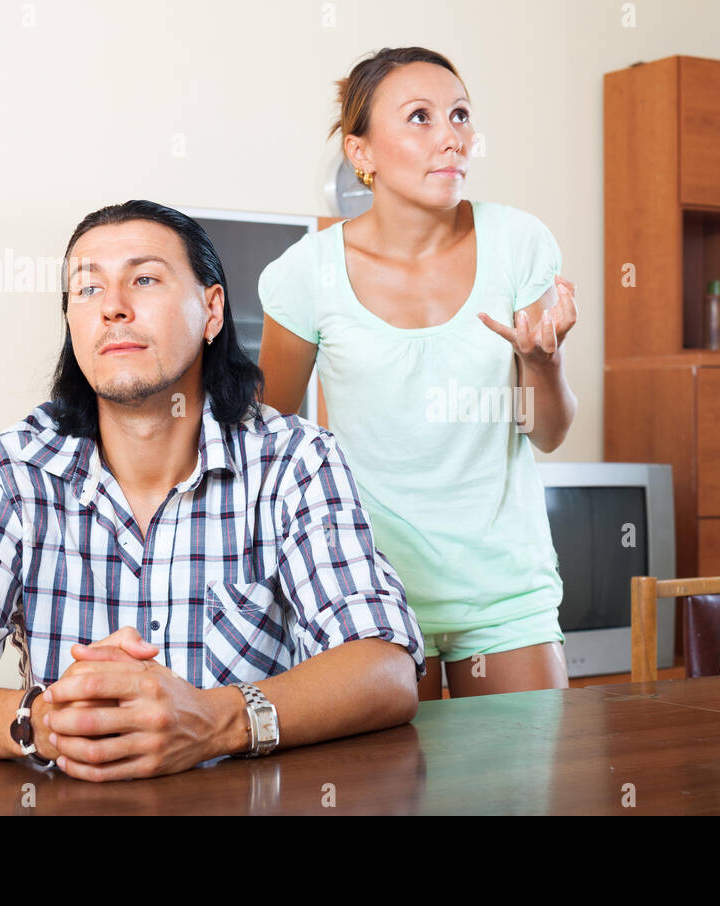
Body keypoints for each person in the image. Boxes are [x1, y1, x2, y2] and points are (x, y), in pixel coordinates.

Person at [0, 199, 425, 782]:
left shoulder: (295, 461)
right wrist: (43, 722)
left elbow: (384, 667)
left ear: (211, 311)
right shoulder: (11, 473)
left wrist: (219, 720)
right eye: (87, 290)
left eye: (144, 279)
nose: (114, 309)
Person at [259, 47, 578, 699]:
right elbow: (274, 440)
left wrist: (543, 366)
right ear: (362, 153)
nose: (451, 136)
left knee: (527, 798)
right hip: (366, 590)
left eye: (459, 115)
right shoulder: (305, 274)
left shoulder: (519, 242)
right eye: (421, 118)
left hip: (506, 591)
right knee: (399, 797)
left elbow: (546, 434)